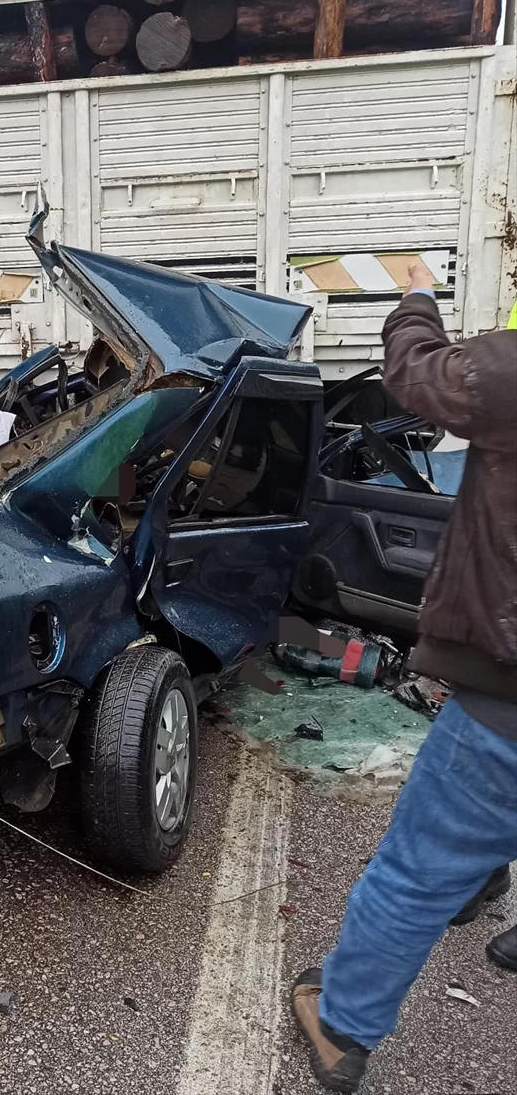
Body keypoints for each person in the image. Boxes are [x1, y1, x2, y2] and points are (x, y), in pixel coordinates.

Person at [291, 259, 517, 1092]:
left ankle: (341, 1026)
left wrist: (417, 297)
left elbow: (414, 374)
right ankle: (492, 877)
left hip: (508, 698)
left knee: (417, 869)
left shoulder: (511, 372)